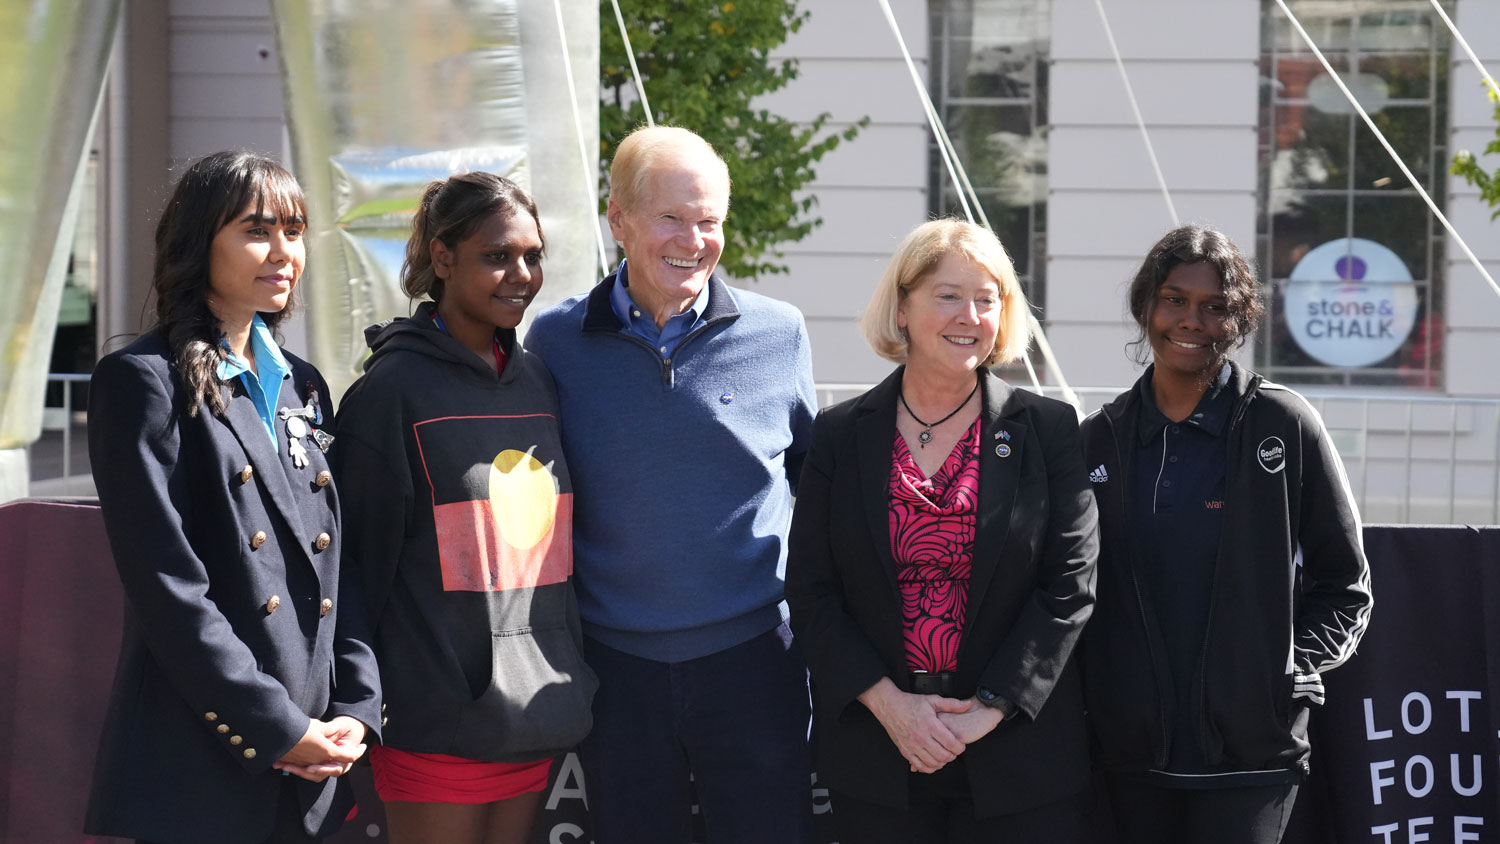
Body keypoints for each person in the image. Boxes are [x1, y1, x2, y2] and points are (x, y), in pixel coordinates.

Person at [526, 125, 817, 843]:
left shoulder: (780, 333)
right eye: (672, 218)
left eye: (710, 220)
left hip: (756, 663)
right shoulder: (553, 342)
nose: (694, 239)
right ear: (617, 219)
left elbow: (819, 490)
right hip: (614, 671)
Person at [84, 150, 382, 844]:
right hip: (205, 763)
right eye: (256, 231)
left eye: (295, 230)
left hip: (316, 762)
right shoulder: (143, 382)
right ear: (197, 245)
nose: (284, 252)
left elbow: (338, 565)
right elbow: (169, 590)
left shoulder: (304, 385)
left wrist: (358, 706)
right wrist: (277, 728)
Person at [784, 219, 1098, 842]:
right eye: (948, 295)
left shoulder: (1049, 429)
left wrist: (988, 709)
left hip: (1016, 757)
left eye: (988, 299)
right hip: (879, 755)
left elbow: (1070, 587)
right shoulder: (841, 434)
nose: (971, 315)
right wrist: (892, 708)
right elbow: (812, 591)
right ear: (902, 307)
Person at [1079, 224, 1372, 844]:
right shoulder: (1097, 438)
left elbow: (1346, 583)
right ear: (1146, 307)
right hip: (1129, 754)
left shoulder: (1283, 423)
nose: (1192, 320)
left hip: (1252, 756)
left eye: (1216, 307)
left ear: (1238, 321)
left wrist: (1288, 669)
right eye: (1174, 299)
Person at [331, 172, 596, 844]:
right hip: (434, 725)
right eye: (497, 255)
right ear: (442, 258)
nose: (521, 274)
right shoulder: (390, 392)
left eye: (533, 256)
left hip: (533, 713)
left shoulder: (538, 378)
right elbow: (353, 569)